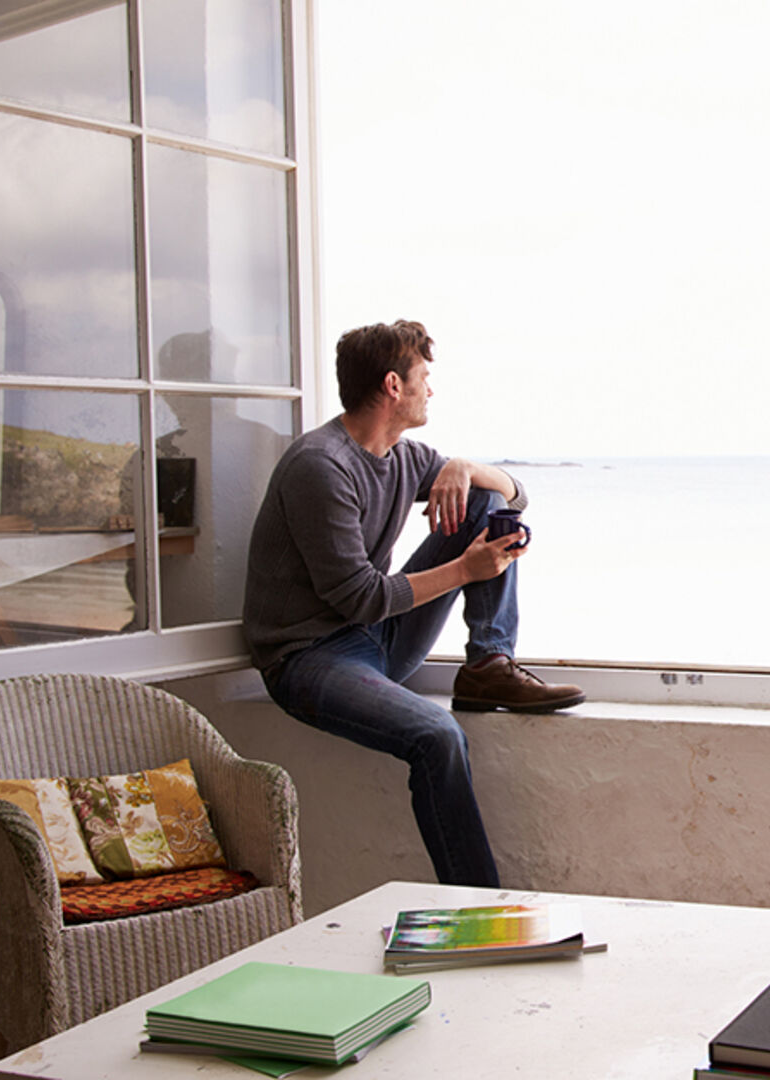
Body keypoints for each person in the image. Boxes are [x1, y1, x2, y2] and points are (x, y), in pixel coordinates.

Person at [241, 319, 584, 887]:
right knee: (437, 736)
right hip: (310, 660)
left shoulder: (404, 456)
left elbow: (516, 495)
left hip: (376, 639)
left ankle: (487, 664)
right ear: (394, 385)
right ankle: (479, 904)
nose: (432, 390)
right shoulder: (320, 466)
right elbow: (361, 597)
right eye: (424, 377)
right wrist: (466, 570)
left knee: (480, 503)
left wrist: (465, 468)